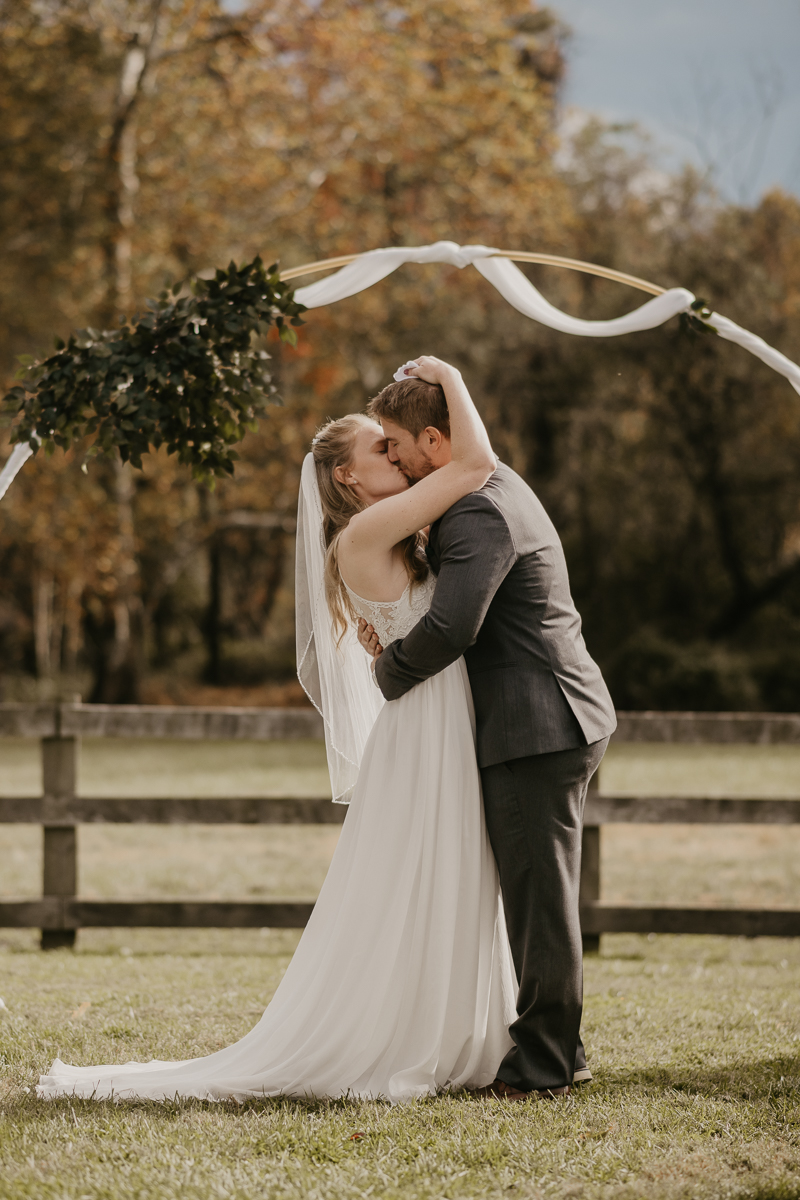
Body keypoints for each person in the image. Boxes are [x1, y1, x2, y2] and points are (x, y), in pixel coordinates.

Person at [36, 356, 519, 1104]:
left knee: (454, 873)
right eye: (380, 449)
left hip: (441, 719)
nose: (395, 454)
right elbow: (475, 463)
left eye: (393, 445)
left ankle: (459, 1032)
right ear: (351, 480)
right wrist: (454, 376)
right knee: (424, 875)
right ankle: (408, 1038)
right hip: (424, 729)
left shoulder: (393, 532)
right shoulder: (363, 536)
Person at [359, 365, 617, 1101]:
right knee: (538, 892)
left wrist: (388, 673)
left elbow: (453, 625)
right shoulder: (485, 485)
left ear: (436, 440)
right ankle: (560, 1048)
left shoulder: (476, 512)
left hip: (536, 721)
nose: (395, 456)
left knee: (539, 899)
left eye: (399, 443)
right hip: (546, 713)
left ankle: (544, 1066)